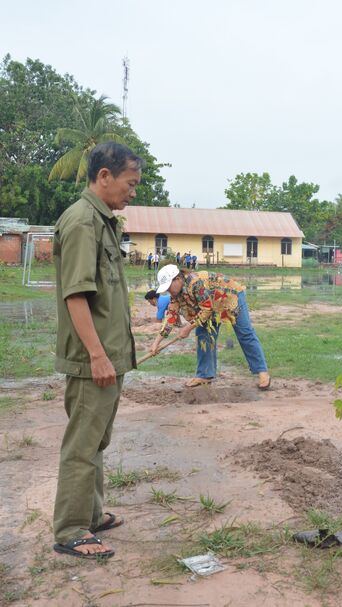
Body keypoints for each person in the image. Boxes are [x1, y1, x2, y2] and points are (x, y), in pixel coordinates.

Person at [52, 142, 142, 559]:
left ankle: (90, 514)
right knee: (83, 444)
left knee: (97, 439)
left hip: (108, 355)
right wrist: (97, 354)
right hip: (94, 359)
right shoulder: (82, 222)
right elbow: (76, 296)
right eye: (130, 182)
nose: (133, 191)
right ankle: (71, 528)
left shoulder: (105, 222)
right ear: (104, 176)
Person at [149, 265, 271, 390]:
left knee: (245, 333)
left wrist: (187, 328)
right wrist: (156, 343)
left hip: (230, 297)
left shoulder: (196, 283)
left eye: (169, 287)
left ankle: (262, 371)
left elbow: (206, 310)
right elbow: (171, 317)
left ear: (178, 279)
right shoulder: (176, 295)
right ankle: (205, 375)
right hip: (211, 305)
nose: (168, 291)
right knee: (203, 335)